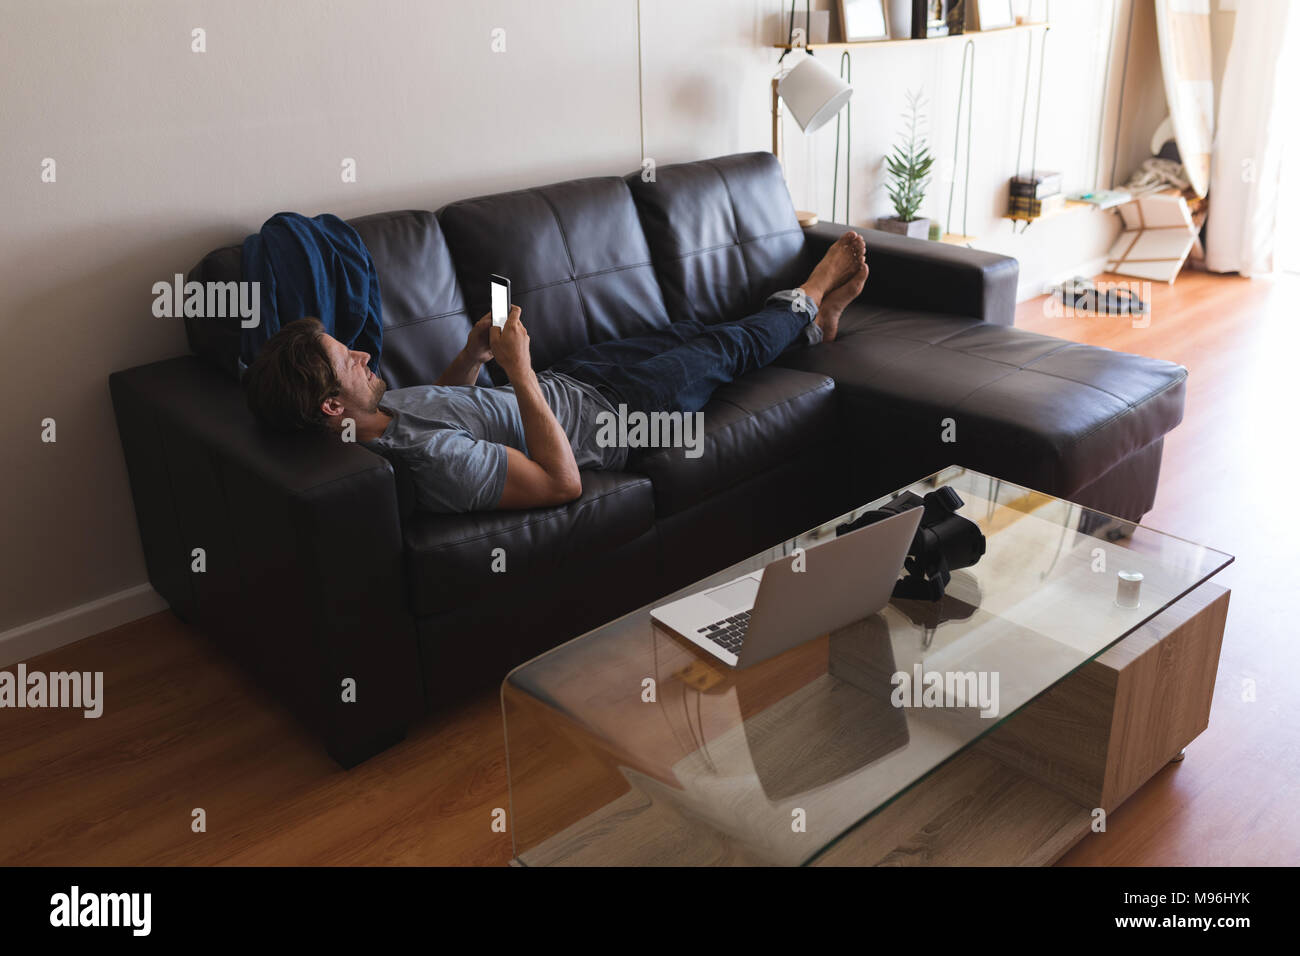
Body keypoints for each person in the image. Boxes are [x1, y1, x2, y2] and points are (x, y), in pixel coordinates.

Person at [243, 232, 869, 513]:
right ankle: (813, 289)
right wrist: (518, 373)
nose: (360, 352)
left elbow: (450, 404)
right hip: (623, 418)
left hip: (579, 378)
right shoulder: (430, 466)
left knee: (695, 332)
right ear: (330, 407)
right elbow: (562, 483)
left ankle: (817, 325)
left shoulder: (380, 414)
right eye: (343, 359)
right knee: (728, 349)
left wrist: (473, 356)